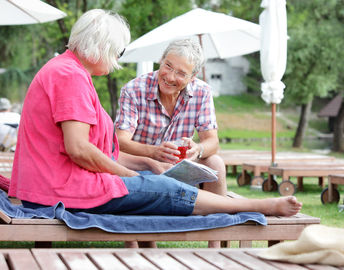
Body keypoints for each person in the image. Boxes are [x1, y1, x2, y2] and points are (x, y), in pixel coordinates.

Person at [9, 9, 302, 247]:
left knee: (159, 179)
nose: (118, 57)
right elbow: (79, 149)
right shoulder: (68, 76)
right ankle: (259, 206)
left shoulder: (68, 70)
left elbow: (98, 150)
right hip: (62, 189)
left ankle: (243, 210)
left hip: (57, 184)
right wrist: (132, 176)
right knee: (161, 188)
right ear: (100, 48)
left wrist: (146, 163)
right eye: (117, 50)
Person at [115, 39, 227, 197]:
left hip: (180, 170)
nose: (170, 77)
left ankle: (219, 217)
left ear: (193, 76)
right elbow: (120, 141)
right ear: (161, 60)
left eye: (181, 73)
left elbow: (213, 142)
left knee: (216, 163)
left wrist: (198, 149)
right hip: (141, 168)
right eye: (168, 66)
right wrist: (154, 152)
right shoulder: (134, 89)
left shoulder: (202, 92)